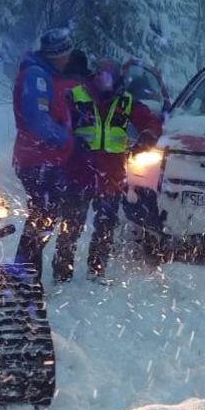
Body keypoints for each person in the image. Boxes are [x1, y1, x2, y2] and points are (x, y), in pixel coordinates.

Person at [57, 59, 161, 283]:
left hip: (111, 173)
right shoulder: (76, 96)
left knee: (105, 224)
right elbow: (58, 120)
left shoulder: (125, 102)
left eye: (109, 76)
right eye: (101, 75)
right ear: (94, 75)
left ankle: (97, 271)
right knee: (71, 224)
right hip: (80, 170)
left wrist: (148, 136)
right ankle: (62, 272)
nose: (104, 80)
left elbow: (150, 121)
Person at [12, 28, 79, 278]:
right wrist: (67, 139)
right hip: (37, 159)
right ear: (57, 54)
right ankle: (23, 277)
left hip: (43, 158)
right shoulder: (36, 76)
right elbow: (38, 121)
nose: (68, 59)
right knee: (42, 220)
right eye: (66, 54)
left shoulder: (46, 74)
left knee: (43, 219)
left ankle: (26, 276)